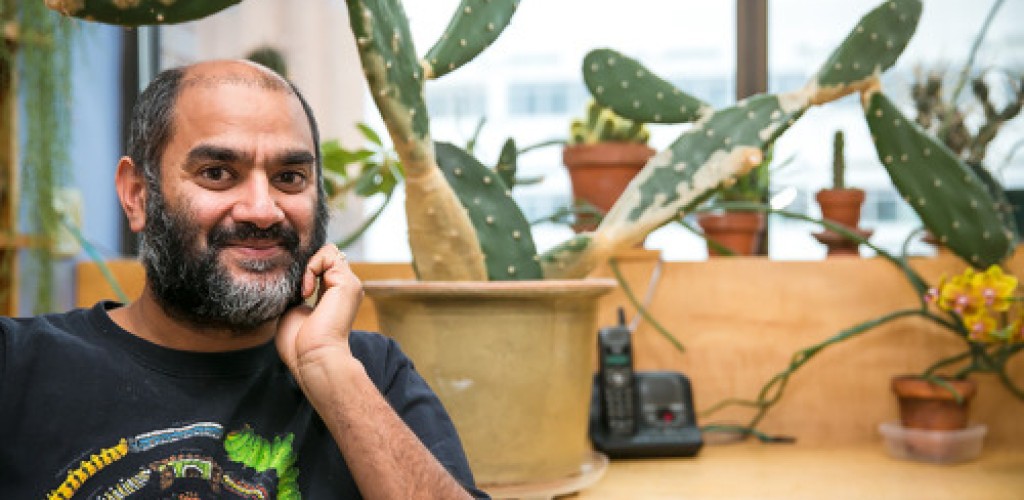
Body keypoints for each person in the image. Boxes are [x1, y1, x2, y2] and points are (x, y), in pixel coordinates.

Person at [0, 60, 486, 499]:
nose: (262, 210)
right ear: (136, 195)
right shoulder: (18, 366)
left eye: (289, 177)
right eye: (217, 173)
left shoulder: (372, 374)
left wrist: (329, 371)